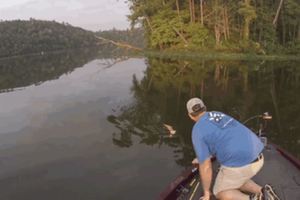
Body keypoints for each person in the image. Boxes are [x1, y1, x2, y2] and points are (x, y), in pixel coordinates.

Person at [186, 97, 280, 200]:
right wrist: (201, 158)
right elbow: (220, 138)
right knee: (234, 179)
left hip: (241, 163)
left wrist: (206, 194)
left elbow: (206, 166)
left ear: (190, 115)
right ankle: (264, 191)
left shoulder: (198, 130)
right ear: (205, 108)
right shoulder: (216, 114)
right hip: (258, 155)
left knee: (219, 192)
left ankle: (256, 199)